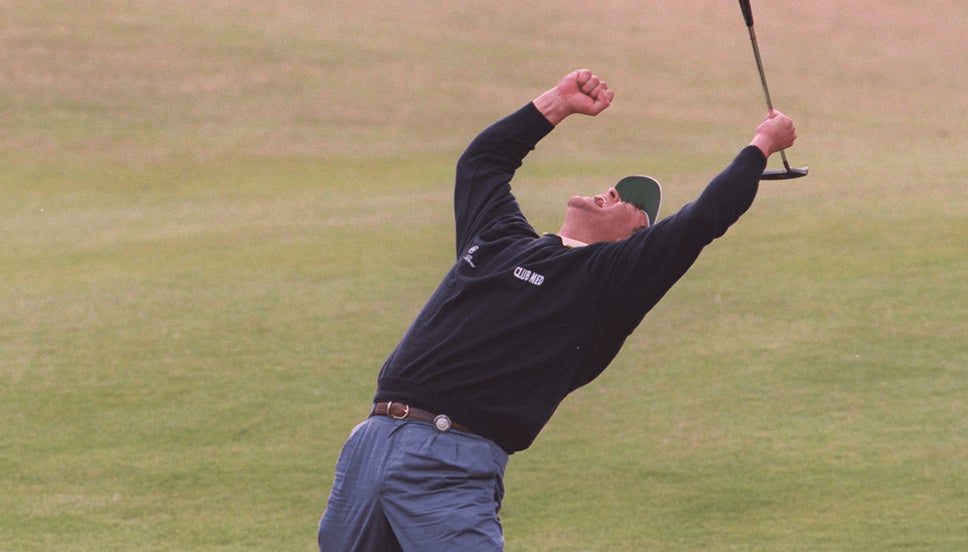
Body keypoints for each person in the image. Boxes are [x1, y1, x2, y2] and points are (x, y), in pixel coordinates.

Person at [317, 69, 797, 551]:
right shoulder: (498, 236)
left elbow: (703, 219)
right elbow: (482, 163)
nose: (614, 192)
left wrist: (760, 144)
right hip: (369, 445)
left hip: (451, 461)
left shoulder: (610, 281)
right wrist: (556, 104)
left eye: (633, 204)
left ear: (636, 239)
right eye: (618, 186)